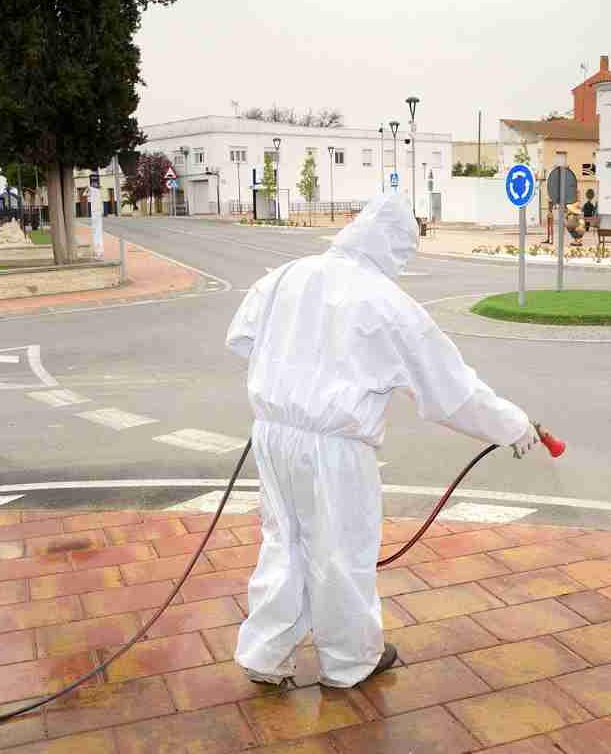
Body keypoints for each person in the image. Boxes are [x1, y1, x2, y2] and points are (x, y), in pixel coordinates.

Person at [226, 192, 537, 690]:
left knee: (283, 542)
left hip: (272, 433)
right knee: (340, 552)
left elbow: (240, 340)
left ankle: (264, 653)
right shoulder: (388, 302)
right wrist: (514, 425)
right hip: (335, 445)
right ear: (394, 249)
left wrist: (291, 379)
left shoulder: (287, 274)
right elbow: (452, 392)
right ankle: (349, 661)